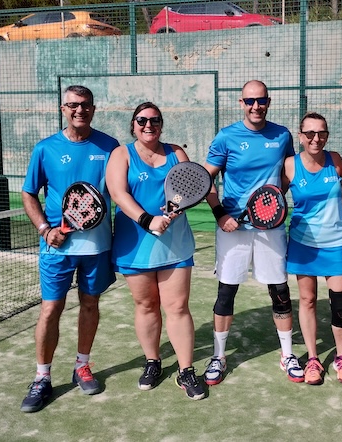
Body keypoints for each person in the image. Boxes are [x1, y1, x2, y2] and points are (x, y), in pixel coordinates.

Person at [20, 85, 119, 413]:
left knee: (90, 304)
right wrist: (45, 229)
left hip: (98, 246)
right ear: (64, 108)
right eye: (73, 105)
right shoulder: (46, 149)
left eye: (86, 105)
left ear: (93, 108)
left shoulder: (110, 147)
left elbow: (121, 190)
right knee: (50, 310)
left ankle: (82, 366)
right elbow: (29, 193)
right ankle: (42, 377)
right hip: (56, 248)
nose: (80, 110)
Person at [203, 80, 303, 385]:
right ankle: (219, 356)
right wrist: (220, 214)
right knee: (226, 291)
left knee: (280, 291)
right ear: (241, 102)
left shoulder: (282, 134)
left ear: (269, 102)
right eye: (249, 101)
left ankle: (287, 355)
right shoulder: (226, 137)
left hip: (271, 227)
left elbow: (287, 174)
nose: (255, 106)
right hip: (233, 227)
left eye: (260, 101)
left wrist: (272, 205)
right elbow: (205, 179)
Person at [106, 102, 205, 400]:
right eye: (142, 120)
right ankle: (153, 362)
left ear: (161, 124)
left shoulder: (176, 152)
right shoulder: (121, 154)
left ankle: (186, 371)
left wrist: (172, 213)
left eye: (155, 120)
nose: (149, 125)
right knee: (146, 306)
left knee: (177, 307)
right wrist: (148, 220)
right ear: (133, 124)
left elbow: (188, 188)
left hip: (174, 244)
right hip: (134, 245)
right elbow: (118, 193)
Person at [283, 112, 342, 385]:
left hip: (335, 243)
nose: (316, 138)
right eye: (310, 133)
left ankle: (340, 357)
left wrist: (333, 215)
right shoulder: (290, 165)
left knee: (340, 304)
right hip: (303, 243)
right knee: (308, 300)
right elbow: (276, 198)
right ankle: (313, 359)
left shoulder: (335, 160)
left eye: (321, 133)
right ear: (300, 136)